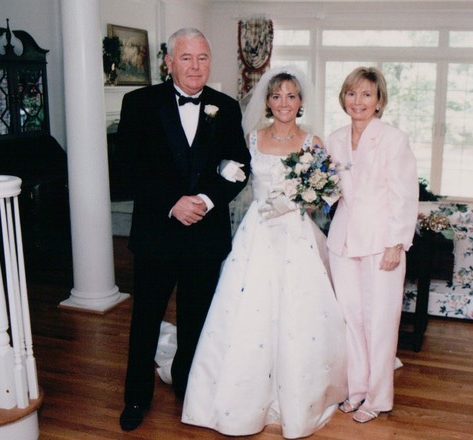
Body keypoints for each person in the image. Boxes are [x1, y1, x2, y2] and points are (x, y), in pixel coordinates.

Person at [181, 66, 347, 439]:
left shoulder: (313, 142)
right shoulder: (252, 138)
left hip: (295, 235)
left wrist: (298, 201)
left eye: (291, 96)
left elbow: (328, 192)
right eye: (276, 96)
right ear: (267, 102)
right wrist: (223, 166)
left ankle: (299, 395)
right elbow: (223, 167)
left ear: (301, 101)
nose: (283, 103)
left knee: (297, 312)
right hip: (256, 234)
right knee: (248, 309)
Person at [117, 27, 251, 432]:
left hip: (205, 238)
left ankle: (187, 385)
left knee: (196, 320)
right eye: (187, 58)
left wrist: (207, 200)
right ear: (169, 62)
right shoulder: (138, 103)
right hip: (156, 235)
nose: (196, 66)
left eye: (203, 58)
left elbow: (239, 166)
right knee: (146, 319)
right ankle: (136, 398)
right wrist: (172, 202)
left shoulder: (225, 107)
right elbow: (127, 169)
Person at [325, 67, 419, 424]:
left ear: (379, 101)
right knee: (351, 319)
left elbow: (404, 194)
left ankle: (378, 398)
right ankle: (357, 390)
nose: (358, 101)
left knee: (380, 322)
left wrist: (396, 243)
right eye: (352, 93)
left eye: (366, 94)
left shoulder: (393, 139)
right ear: (343, 98)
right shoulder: (334, 139)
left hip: (382, 242)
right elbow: (331, 191)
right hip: (343, 241)